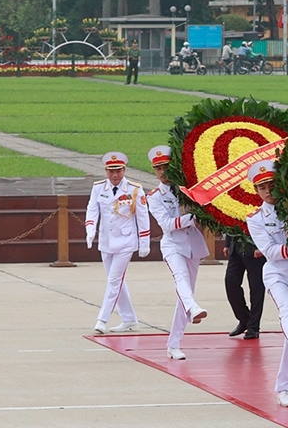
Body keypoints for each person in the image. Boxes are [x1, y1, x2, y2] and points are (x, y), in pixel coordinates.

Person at [244, 161, 288, 407]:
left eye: (271, 185)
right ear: (256, 190)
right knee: (287, 312)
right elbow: (271, 252)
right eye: (262, 187)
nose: (267, 191)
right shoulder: (255, 218)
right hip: (277, 274)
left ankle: (285, 386)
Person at [146, 145, 208, 359]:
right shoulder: (154, 196)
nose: (162, 172)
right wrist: (194, 217)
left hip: (192, 244)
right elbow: (166, 224)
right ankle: (192, 307)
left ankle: (174, 344)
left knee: (185, 291)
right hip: (172, 244)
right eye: (158, 168)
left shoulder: (187, 188)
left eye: (165, 167)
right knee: (181, 282)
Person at [85, 151, 150, 333]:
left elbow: (143, 217)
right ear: (106, 171)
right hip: (106, 241)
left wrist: (144, 243)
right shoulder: (98, 188)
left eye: (118, 171)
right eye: (111, 171)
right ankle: (130, 319)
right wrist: (90, 230)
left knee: (114, 281)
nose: (115, 175)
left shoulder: (134, 189)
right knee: (117, 281)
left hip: (126, 241)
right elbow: (92, 210)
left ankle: (102, 320)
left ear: (124, 170)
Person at [225, 230, 266, 338]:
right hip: (236, 248)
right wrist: (228, 243)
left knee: (256, 289)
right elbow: (230, 219)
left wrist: (262, 246)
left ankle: (253, 327)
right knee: (231, 282)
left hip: (254, 249)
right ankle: (244, 319)